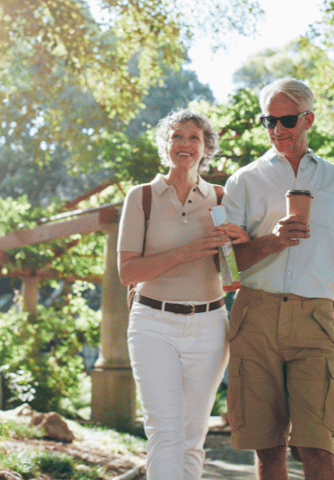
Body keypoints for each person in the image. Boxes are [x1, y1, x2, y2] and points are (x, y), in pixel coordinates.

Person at [222, 78, 334, 480]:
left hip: (315, 319)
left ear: (308, 119)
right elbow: (230, 262)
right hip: (254, 316)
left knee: (318, 447)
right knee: (268, 450)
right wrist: (273, 242)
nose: (277, 129)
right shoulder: (244, 181)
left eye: (287, 119)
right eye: (268, 121)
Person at [118, 108, 250, 479]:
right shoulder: (141, 197)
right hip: (152, 323)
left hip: (209, 324)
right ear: (166, 145)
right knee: (164, 430)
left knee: (193, 435)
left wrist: (240, 244)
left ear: (206, 147)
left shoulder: (222, 198)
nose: (185, 144)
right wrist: (187, 252)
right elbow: (128, 272)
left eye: (194, 137)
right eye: (177, 136)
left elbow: (231, 272)